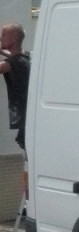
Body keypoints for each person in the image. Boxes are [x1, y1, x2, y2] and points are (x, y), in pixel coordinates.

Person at [0, 23, 30, 151]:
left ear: (12, 39)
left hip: (25, 114)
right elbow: (16, 55)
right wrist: (2, 51)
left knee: (28, 152)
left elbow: (11, 60)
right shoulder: (25, 57)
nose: (0, 38)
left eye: (3, 35)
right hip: (28, 112)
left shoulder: (11, 63)